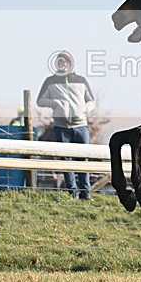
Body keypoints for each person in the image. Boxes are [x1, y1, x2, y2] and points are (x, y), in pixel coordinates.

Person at [37, 50, 96, 200]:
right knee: (66, 160)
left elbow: (92, 101)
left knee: (83, 159)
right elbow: (40, 101)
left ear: (70, 63)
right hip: (61, 127)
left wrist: (84, 109)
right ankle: (73, 192)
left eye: (65, 61)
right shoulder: (50, 81)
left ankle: (86, 192)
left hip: (81, 126)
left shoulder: (81, 80)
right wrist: (55, 103)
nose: (62, 63)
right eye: (60, 61)